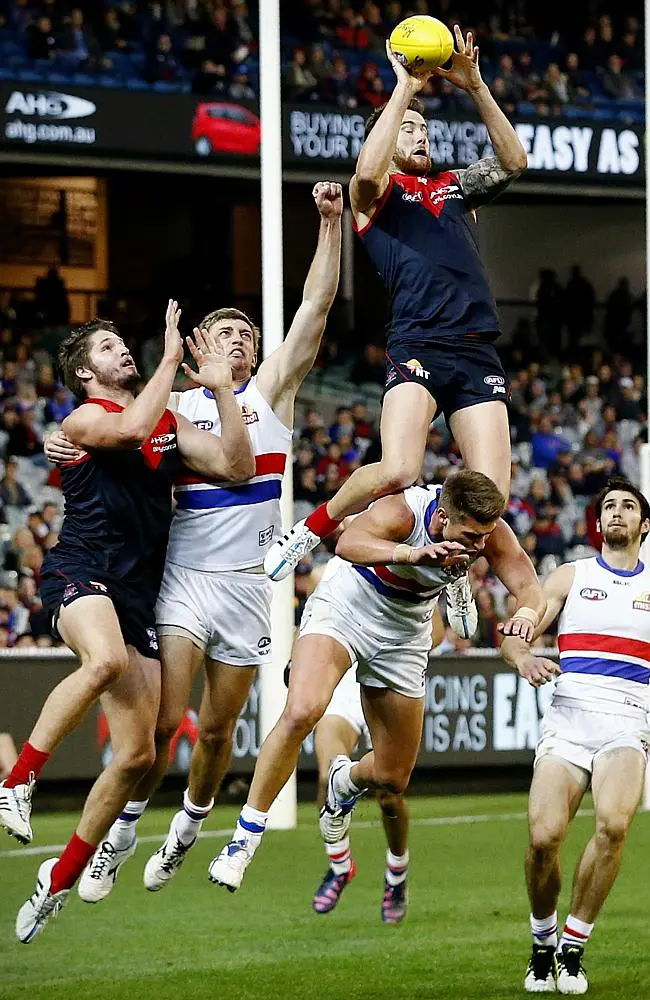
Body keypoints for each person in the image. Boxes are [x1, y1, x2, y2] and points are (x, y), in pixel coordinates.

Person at [47, 183, 343, 901]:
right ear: (200, 345)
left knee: (217, 734)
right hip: (182, 576)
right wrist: (64, 440)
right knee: (165, 722)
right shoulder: (170, 405)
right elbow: (107, 423)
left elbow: (314, 310)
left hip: (249, 583)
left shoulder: (269, 394)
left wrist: (331, 225)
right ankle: (120, 836)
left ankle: (188, 829)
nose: (240, 339)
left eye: (247, 333)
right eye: (225, 331)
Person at [1, 304, 254, 943]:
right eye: (108, 347)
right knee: (105, 661)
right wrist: (173, 357)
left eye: (123, 342)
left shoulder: (165, 422)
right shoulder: (86, 417)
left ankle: (56, 881)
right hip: (81, 571)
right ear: (86, 371)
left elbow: (237, 466)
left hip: (139, 596)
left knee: (140, 753)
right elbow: (132, 426)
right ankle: (17, 781)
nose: (123, 350)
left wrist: (222, 391)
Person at [264, 27, 529, 638]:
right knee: (399, 471)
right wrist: (404, 89)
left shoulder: (455, 188)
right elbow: (364, 168)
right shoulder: (374, 196)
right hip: (417, 345)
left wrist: (477, 86)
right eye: (408, 127)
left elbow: (513, 161)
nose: (420, 132)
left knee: (493, 497)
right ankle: (309, 531)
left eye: (424, 128)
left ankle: (456, 573)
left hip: (475, 350)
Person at [208, 471, 554, 892]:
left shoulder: (488, 532)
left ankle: (343, 782)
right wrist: (412, 555)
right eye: (470, 536)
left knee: (393, 776)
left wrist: (524, 616)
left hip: (408, 629)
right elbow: (348, 544)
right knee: (302, 709)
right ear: (442, 517)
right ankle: (243, 841)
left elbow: (529, 587)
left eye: (484, 536)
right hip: (349, 603)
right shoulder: (402, 511)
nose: (480, 545)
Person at [501, 477, 650, 995]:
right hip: (568, 721)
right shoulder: (570, 574)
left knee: (613, 825)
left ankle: (573, 945)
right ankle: (542, 942)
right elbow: (520, 628)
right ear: (597, 520)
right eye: (609, 505)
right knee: (543, 839)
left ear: (643, 524)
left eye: (628, 507)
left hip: (627, 722)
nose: (617, 512)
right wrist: (522, 657)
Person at [310, 606, 445, 922]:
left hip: (390, 679)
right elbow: (309, 624)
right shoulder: (328, 572)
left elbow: (437, 633)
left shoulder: (412, 566)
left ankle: (397, 872)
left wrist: (392, 640)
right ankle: (340, 864)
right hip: (343, 683)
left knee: (388, 791)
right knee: (328, 773)